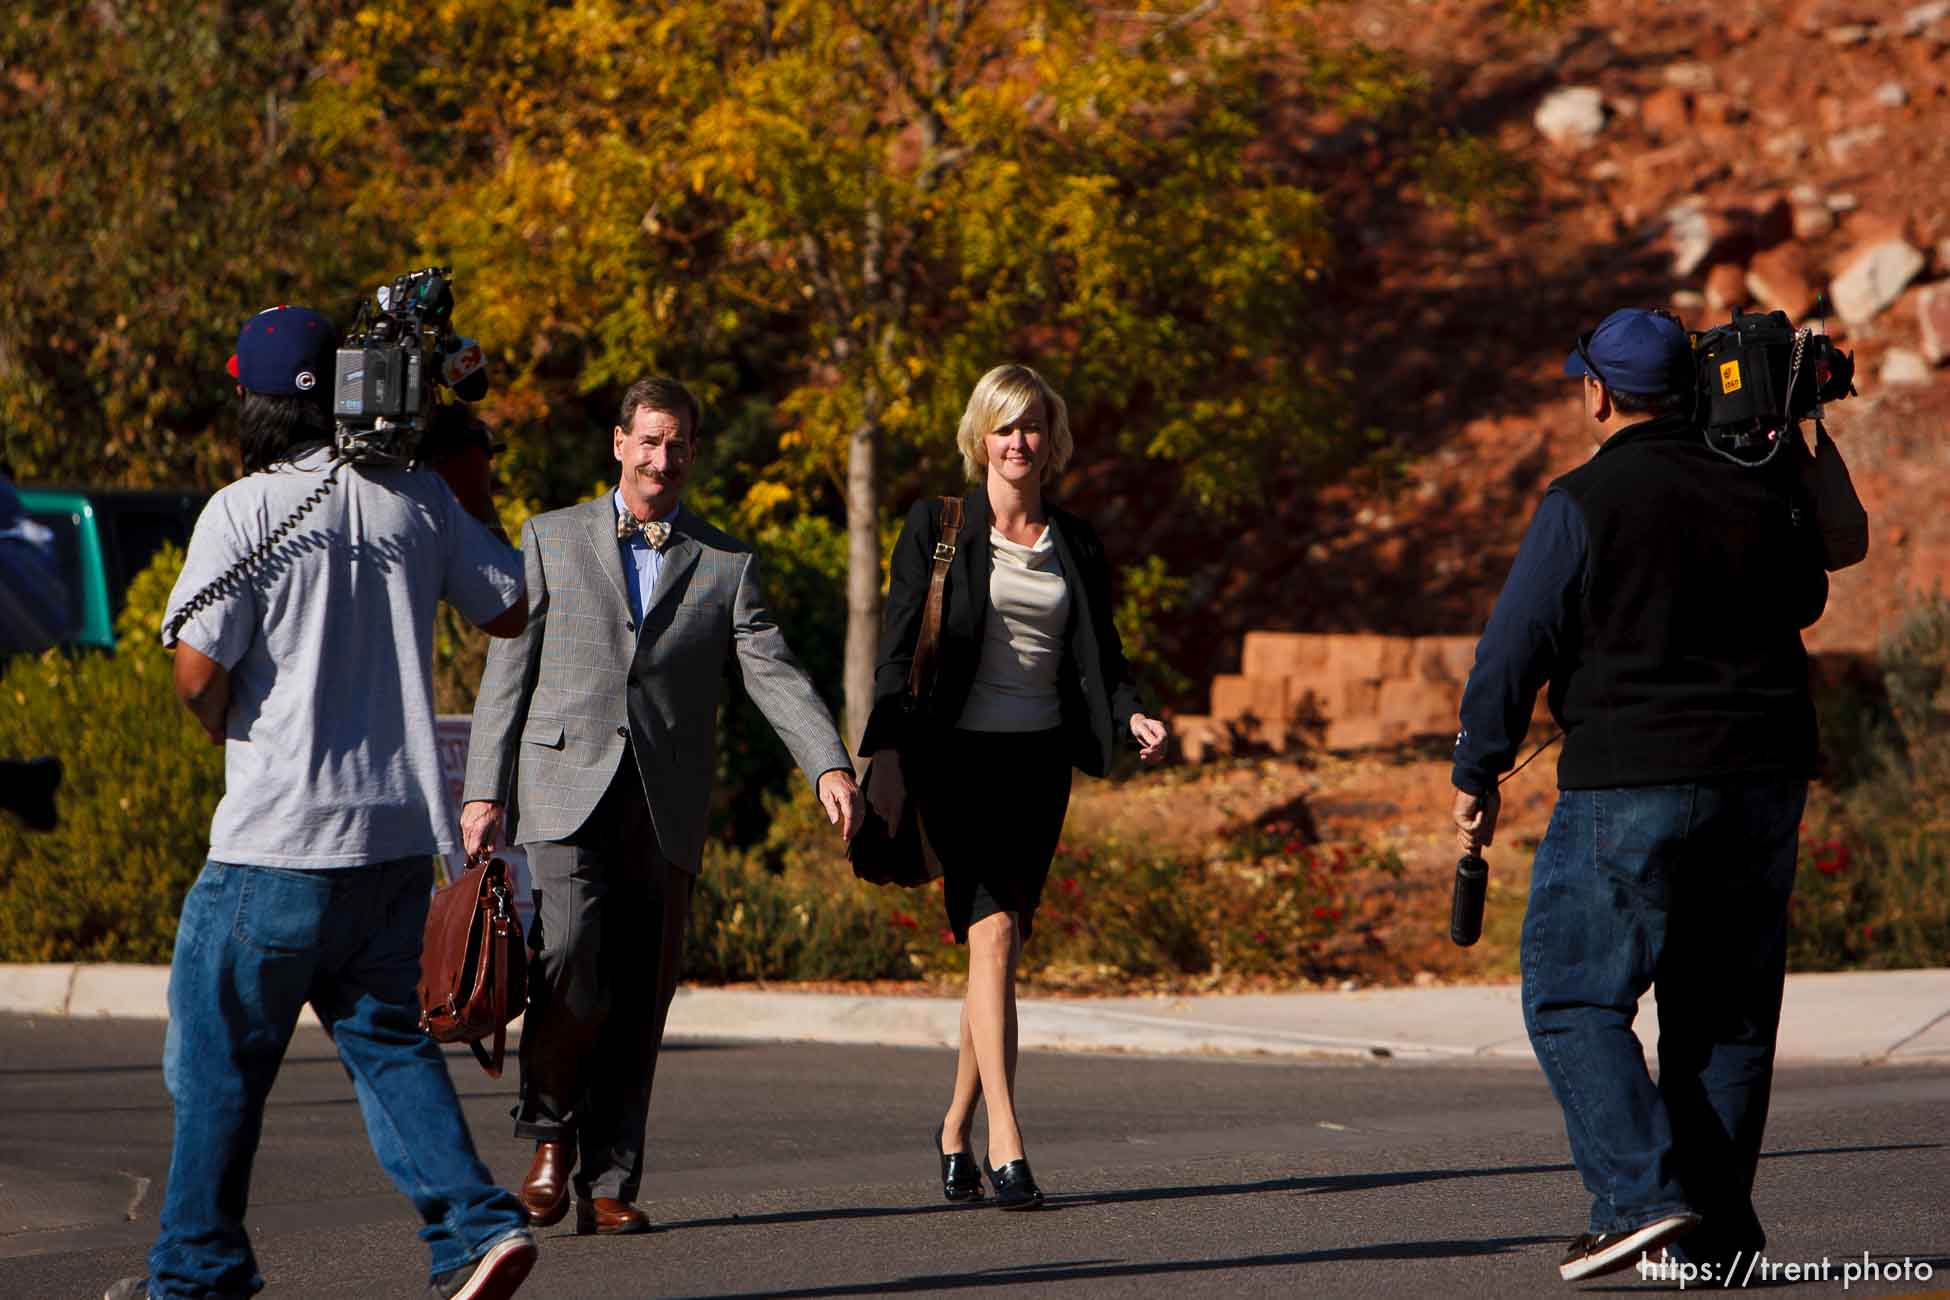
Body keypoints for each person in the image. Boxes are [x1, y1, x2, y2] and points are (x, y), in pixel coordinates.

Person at [113, 307, 537, 1300]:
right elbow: (510, 607)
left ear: (257, 404)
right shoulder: (420, 498)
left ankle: (194, 1271)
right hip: (389, 846)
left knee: (219, 1063)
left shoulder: (244, 508)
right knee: (389, 1044)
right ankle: (476, 1227)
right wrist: (468, 490)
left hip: (273, 843)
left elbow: (193, 668)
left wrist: (218, 714)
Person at [1447, 308, 1869, 1284]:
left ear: (1596, 391)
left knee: (1572, 994)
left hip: (1632, 781)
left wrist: (1477, 768)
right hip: (1763, 778)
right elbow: (1807, 598)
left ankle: (1639, 1199)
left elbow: (1514, 648)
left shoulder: (1582, 499)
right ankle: (1716, 1243)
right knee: (1724, 1019)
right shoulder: (1759, 486)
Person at [461, 376, 863, 1237]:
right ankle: (548, 1139)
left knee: (643, 992)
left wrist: (828, 764)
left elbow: (774, 673)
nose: (662, 458)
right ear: (618, 444)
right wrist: (485, 789)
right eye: (649, 440)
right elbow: (509, 674)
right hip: (565, 789)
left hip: (665, 800)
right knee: (568, 955)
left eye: (677, 444)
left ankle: (610, 1178)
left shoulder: (725, 564)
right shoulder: (550, 538)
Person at [860, 363, 1170, 1210]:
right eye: (1004, 427)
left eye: (1032, 426)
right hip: (956, 759)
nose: (1018, 441)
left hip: (1038, 767)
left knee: (997, 951)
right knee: (990, 935)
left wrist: (1132, 713)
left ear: (1052, 437)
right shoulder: (937, 526)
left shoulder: (1076, 540)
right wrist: (883, 754)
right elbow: (895, 649)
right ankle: (1008, 1140)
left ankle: (953, 1126)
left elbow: (1101, 654)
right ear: (980, 437)